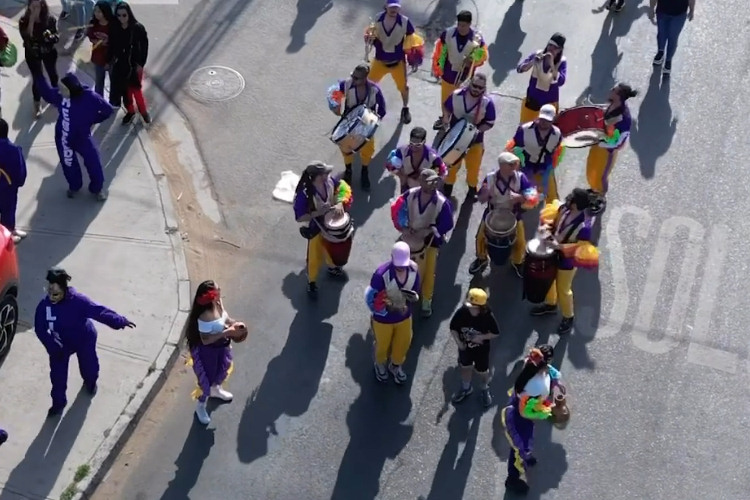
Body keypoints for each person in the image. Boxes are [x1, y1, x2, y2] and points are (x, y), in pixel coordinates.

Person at [34, 268, 135, 417]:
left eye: (55, 294)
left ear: (64, 290)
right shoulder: (44, 306)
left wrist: (119, 321)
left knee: (89, 365)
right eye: (49, 293)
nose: (51, 297)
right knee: (57, 377)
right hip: (60, 345)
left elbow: (99, 312)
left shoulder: (78, 302)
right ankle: (58, 403)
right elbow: (40, 329)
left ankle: (91, 382)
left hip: (83, 339)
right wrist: (52, 346)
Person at [33, 71, 116, 200]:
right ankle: (74, 186)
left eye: (62, 89)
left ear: (71, 90)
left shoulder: (91, 96)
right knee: (69, 164)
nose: (59, 91)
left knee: (94, 161)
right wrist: (37, 74)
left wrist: (94, 119)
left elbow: (108, 110)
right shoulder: (61, 96)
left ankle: (97, 188)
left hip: (83, 137)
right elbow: (48, 94)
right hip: (64, 137)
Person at [531, 188, 600, 334]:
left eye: (572, 199)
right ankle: (550, 304)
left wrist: (560, 246)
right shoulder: (563, 209)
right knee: (548, 280)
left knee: (563, 289)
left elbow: (581, 248)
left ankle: (568, 317)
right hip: (552, 251)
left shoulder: (585, 227)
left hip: (567, 261)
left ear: (576, 205)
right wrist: (546, 228)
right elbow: (553, 223)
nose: (568, 199)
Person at [390, 169, 454, 317]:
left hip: (430, 241)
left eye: (434, 181)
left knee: (429, 271)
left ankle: (426, 300)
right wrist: (403, 227)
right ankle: (399, 294)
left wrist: (429, 231)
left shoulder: (442, 202)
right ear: (421, 182)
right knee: (398, 267)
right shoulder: (410, 194)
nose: (433, 184)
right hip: (409, 235)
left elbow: (447, 223)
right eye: (429, 181)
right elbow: (398, 210)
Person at [502, 344, 562, 494]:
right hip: (519, 418)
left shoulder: (531, 365)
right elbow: (525, 412)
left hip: (519, 408)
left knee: (523, 445)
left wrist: (556, 382)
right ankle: (512, 479)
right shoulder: (536, 386)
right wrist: (547, 412)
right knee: (518, 448)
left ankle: (526, 458)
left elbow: (549, 373)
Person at [185, 280, 246, 425]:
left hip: (220, 348)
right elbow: (206, 340)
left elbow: (226, 318)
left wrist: (235, 324)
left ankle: (216, 390)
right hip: (208, 352)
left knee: (220, 370)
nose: (221, 290)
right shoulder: (204, 316)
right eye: (218, 289)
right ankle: (201, 405)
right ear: (211, 295)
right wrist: (227, 332)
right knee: (207, 377)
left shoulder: (217, 304)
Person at [469, 152, 538, 276]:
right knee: (480, 238)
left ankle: (517, 262)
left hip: (514, 214)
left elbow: (532, 196)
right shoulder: (490, 178)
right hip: (492, 213)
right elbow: (480, 198)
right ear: (501, 165)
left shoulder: (520, 178)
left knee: (521, 241)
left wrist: (520, 198)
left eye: (515, 164)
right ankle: (482, 258)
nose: (514, 167)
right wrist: (485, 194)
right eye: (510, 164)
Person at [293, 161, 353, 298]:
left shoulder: (330, 182)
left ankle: (332, 268)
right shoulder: (305, 194)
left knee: (331, 250)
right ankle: (312, 283)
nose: (328, 174)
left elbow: (343, 188)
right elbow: (299, 217)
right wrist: (317, 213)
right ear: (318, 176)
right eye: (325, 173)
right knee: (314, 256)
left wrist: (339, 203)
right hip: (317, 228)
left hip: (332, 226)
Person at [364, 241, 421, 384]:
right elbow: (370, 297)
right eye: (398, 266)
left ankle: (395, 365)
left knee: (404, 342)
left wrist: (413, 298)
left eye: (403, 266)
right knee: (382, 345)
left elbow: (415, 290)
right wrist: (382, 310)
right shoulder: (381, 275)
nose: (401, 268)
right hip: (383, 320)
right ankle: (380, 364)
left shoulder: (414, 272)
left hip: (404, 316)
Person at [365, 0, 424, 124]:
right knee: (369, 86)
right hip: (380, 61)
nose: (393, 10)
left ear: (399, 8)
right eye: (391, 7)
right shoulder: (377, 18)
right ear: (386, 6)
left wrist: (414, 57)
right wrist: (369, 38)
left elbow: (412, 40)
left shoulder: (405, 22)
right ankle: (368, 108)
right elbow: (372, 34)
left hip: (397, 63)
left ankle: (405, 108)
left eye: (396, 7)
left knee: (404, 88)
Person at [440, 72, 496, 201]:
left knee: (473, 168)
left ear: (484, 88)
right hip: (455, 139)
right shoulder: (456, 95)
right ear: (470, 83)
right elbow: (447, 107)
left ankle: (472, 189)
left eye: (480, 88)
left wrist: (477, 131)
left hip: (475, 142)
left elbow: (490, 122)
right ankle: (448, 186)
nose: (476, 89)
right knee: (451, 165)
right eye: (474, 85)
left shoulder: (487, 103)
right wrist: (446, 117)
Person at [431, 10, 488, 130]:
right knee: (445, 101)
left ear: (469, 24)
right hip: (448, 75)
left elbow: (483, 55)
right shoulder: (448, 34)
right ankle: (444, 119)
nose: (460, 28)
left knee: (461, 104)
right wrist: (438, 68)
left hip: (466, 78)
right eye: (459, 24)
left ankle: (457, 125)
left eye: (464, 25)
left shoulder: (476, 39)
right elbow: (440, 52)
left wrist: (473, 59)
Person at [333, 63, 386, 190]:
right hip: (348, 123)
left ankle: (364, 170)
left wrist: (375, 120)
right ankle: (349, 170)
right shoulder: (346, 84)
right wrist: (335, 105)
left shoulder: (375, 90)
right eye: (353, 76)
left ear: (365, 78)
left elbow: (382, 108)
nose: (353, 79)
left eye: (357, 78)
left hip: (366, 126)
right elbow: (334, 94)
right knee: (346, 147)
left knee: (368, 149)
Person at [449, 288, 500, 407]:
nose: (469, 307)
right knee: (465, 367)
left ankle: (484, 388)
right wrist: (459, 343)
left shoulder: (487, 316)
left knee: (482, 371)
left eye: (472, 305)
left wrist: (481, 337)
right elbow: (453, 328)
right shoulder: (462, 312)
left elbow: (495, 333)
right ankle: (466, 388)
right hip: (465, 348)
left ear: (480, 307)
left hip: (481, 350)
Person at [586, 83, 636, 198]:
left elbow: (617, 141)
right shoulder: (614, 104)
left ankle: (600, 196)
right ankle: (594, 189)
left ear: (618, 96)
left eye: (613, 90)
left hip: (607, 151)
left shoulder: (623, 119)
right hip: (598, 144)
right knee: (591, 169)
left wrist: (600, 141)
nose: (610, 90)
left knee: (600, 175)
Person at [505, 104, 564, 202]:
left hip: (544, 164)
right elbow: (516, 148)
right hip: (526, 163)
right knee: (526, 189)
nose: (544, 122)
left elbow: (554, 150)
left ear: (553, 119)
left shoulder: (557, 134)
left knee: (547, 192)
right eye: (542, 119)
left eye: (548, 120)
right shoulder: (524, 129)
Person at [108, 2, 150, 124]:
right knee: (125, 92)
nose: (121, 18)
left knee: (136, 90)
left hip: (134, 65)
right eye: (119, 15)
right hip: (121, 65)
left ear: (129, 14)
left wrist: (141, 64)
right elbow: (112, 45)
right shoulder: (115, 28)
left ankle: (143, 112)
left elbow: (145, 46)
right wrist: (109, 60)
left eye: (124, 15)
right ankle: (130, 111)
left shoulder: (137, 28)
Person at [19, 0, 60, 119]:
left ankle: (55, 95)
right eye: (33, 6)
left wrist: (50, 37)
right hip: (32, 53)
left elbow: (56, 37)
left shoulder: (50, 19)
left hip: (48, 51)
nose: (36, 8)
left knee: (53, 75)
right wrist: (31, 19)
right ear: (29, 6)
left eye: (38, 5)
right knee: (38, 79)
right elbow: (26, 36)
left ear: (43, 5)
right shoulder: (24, 20)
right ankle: (37, 103)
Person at [516, 33, 567, 125]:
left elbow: (561, 81)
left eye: (555, 47)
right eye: (550, 45)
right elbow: (520, 69)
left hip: (549, 104)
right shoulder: (538, 54)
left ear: (559, 50)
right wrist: (532, 62)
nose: (551, 49)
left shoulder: (561, 62)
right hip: (532, 100)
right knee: (524, 129)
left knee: (546, 131)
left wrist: (552, 64)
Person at [385, 126, 447, 193]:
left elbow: (443, 172)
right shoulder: (402, 151)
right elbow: (388, 163)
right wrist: (400, 174)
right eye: (411, 143)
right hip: (406, 189)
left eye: (418, 145)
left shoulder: (433, 157)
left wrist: (432, 183)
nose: (414, 147)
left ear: (424, 141)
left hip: (424, 191)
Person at [0, 119, 28, 243]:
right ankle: (8, 235)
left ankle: (8, 232)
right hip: (7, 187)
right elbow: (20, 170)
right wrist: (19, 183)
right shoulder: (13, 150)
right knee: (8, 210)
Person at [649, 0, 695, 75]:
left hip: (679, 14)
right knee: (661, 34)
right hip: (662, 11)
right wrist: (651, 8)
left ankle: (668, 61)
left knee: (672, 37)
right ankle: (660, 52)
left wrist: (692, 10)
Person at [86, 1, 115, 97]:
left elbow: (117, 41)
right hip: (98, 59)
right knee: (99, 83)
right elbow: (90, 36)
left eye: (99, 11)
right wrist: (99, 42)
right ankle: (99, 102)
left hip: (112, 59)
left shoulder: (113, 24)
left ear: (105, 12)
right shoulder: (93, 23)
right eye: (95, 11)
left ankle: (113, 102)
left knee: (114, 82)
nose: (96, 14)